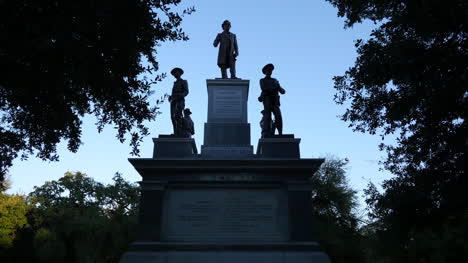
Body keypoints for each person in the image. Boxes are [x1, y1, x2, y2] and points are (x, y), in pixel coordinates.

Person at [258, 63, 285, 135]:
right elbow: (264, 88)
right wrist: (274, 88)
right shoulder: (262, 80)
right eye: (268, 70)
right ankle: (267, 132)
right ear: (265, 71)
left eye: (271, 70)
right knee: (267, 116)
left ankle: (280, 133)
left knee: (278, 116)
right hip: (267, 100)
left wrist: (279, 87)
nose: (270, 71)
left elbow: (282, 91)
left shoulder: (275, 80)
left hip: (275, 100)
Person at [169, 67, 188, 136]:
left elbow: (186, 91)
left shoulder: (183, 81)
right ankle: (175, 132)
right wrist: (171, 97)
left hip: (180, 100)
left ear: (180, 73)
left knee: (178, 116)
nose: (175, 74)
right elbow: (173, 92)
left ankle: (179, 133)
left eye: (176, 72)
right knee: (172, 117)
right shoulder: (175, 83)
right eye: (174, 73)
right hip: (173, 101)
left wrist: (181, 95)